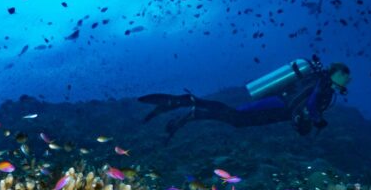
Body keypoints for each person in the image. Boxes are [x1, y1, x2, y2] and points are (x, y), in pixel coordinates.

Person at [138, 56, 350, 139]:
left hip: (278, 109)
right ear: (337, 74)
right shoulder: (322, 84)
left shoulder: (321, 82)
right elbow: (311, 103)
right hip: (276, 106)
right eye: (345, 78)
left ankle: (195, 111)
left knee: (236, 121)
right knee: (235, 115)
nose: (346, 83)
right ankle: (188, 101)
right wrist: (317, 120)